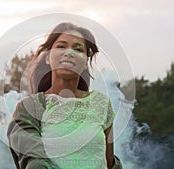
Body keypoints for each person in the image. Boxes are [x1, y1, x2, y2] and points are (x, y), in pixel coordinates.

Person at [7, 22, 122, 169]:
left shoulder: (101, 103)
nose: (69, 52)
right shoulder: (29, 108)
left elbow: (110, 163)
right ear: (48, 57)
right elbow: (34, 162)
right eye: (61, 46)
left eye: (78, 49)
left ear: (86, 61)